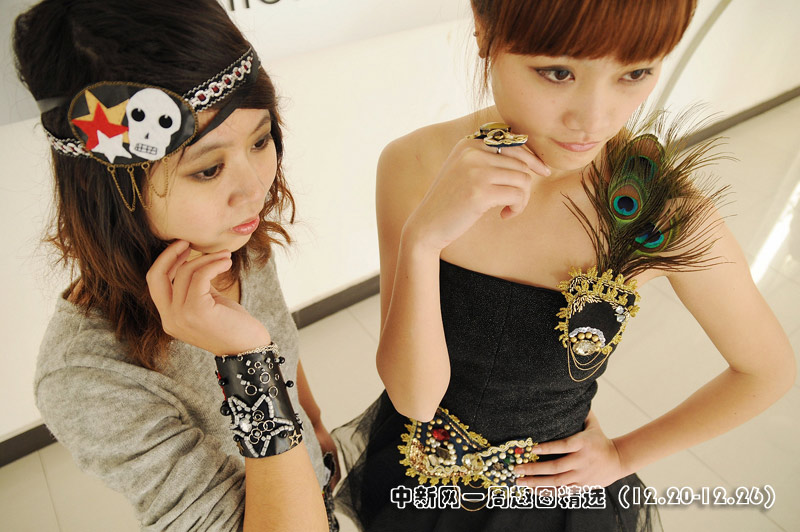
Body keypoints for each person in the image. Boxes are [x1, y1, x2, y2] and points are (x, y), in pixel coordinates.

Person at [332, 0, 796, 530]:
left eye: (634, 73)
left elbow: (767, 370)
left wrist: (622, 456)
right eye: (557, 72)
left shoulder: (658, 212)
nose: (594, 120)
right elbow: (414, 399)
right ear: (483, 30)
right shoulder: (413, 162)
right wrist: (424, 240)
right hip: (419, 474)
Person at [14, 1, 337, 530]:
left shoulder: (231, 237)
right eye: (208, 169)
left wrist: (315, 426)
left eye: (260, 141)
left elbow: (282, 347)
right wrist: (245, 360)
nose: (255, 189)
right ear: (106, 185)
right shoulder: (86, 376)